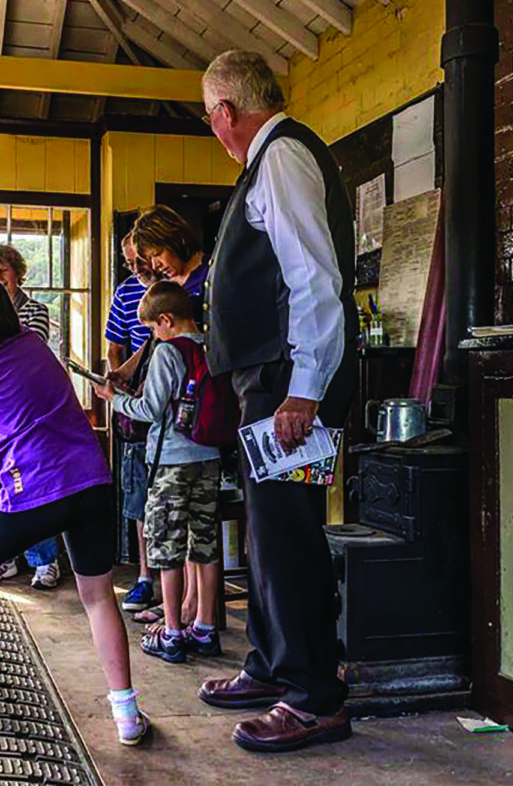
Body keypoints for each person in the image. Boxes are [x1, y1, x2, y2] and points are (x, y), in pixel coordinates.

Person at [0, 267, 150, 746]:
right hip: (91, 481)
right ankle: (127, 716)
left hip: (33, 487)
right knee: (98, 597)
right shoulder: (33, 344)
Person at [196, 50, 361, 753]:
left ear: (225, 113)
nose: (213, 126)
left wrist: (303, 389)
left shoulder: (285, 158)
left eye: (210, 116)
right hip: (266, 381)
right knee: (266, 532)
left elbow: (314, 279)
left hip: (287, 383)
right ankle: (270, 665)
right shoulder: (267, 162)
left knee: (289, 532)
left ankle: (313, 695)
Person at [96, 282, 221, 664]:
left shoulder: (169, 351)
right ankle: (205, 627)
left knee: (166, 546)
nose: (152, 335)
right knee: (205, 540)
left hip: (171, 460)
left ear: (166, 320)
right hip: (209, 455)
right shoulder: (211, 343)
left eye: (152, 328)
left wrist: (114, 399)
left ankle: (171, 632)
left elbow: (150, 409)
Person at [0, 243, 61, 589]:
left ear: (18, 274)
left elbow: (25, 352)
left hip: (28, 414)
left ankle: (45, 561)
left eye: (3, 272)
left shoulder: (35, 311)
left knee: (34, 487)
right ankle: (3, 557)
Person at [105, 231, 162, 613]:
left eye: (141, 259)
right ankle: (145, 577)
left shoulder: (174, 288)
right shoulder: (125, 291)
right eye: (129, 262)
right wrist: (118, 377)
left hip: (168, 408)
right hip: (134, 409)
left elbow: (161, 340)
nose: (137, 268)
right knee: (140, 495)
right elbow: (115, 345)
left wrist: (139, 377)